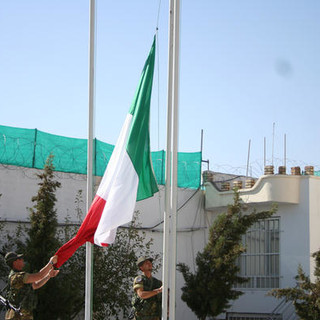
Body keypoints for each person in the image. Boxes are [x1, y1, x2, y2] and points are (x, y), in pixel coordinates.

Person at [4, 252, 59, 320]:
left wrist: (48, 276)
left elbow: (36, 285)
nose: (22, 260)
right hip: (16, 316)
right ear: (15, 262)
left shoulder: (20, 275)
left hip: (24, 314)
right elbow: (39, 275)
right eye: (20, 259)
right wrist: (51, 263)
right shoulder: (16, 277)